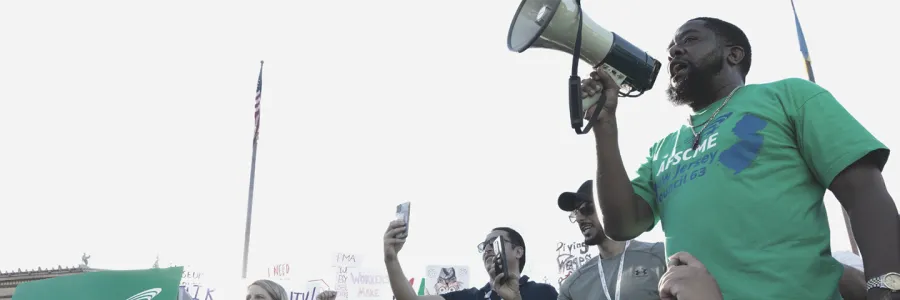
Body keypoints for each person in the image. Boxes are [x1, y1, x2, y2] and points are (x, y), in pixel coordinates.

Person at [582, 16, 900, 299]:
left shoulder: (789, 97)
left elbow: (864, 193)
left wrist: (886, 288)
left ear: (734, 54)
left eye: (689, 40)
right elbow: (620, 224)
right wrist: (604, 127)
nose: (674, 52)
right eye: (671, 48)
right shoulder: (662, 149)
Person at [383, 220, 558, 300]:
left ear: (518, 251)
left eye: (495, 243)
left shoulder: (543, 293)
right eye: (485, 245)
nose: (488, 248)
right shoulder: (471, 296)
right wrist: (391, 258)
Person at [556, 179, 667, 300]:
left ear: (611, 209)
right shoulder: (572, 287)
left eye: (587, 209)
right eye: (576, 212)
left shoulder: (660, 256)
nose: (579, 218)